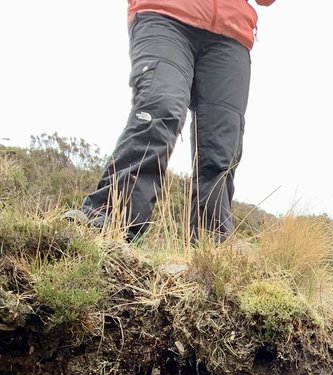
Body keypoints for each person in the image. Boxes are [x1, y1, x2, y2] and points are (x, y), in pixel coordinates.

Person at [67, 0, 274, 242]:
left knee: (222, 146)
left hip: (231, 33)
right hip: (165, 16)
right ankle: (110, 220)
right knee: (160, 107)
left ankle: (212, 248)